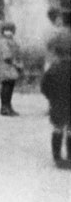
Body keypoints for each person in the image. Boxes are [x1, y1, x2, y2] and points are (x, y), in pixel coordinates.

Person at [40, 30, 71, 169]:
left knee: (58, 129)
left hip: (57, 104)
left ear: (57, 54)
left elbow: (44, 87)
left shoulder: (52, 69)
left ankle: (57, 158)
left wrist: (51, 98)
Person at [0, 22, 22, 116]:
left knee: (10, 86)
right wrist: (15, 63)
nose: (9, 33)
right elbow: (7, 56)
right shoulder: (3, 41)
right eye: (6, 30)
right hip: (6, 67)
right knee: (6, 87)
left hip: (11, 67)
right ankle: (4, 107)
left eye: (11, 30)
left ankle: (9, 106)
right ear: (3, 31)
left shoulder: (12, 41)